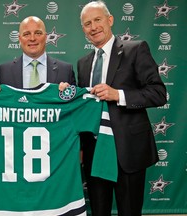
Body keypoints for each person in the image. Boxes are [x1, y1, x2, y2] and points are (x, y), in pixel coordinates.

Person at [77, 1, 167, 216]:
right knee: (99, 212)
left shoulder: (135, 49)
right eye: (87, 23)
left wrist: (118, 95)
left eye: (98, 20)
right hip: (95, 151)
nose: (93, 27)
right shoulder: (83, 63)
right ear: (83, 30)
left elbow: (158, 93)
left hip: (128, 150)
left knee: (129, 211)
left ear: (110, 20)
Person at [0, 16, 76, 88]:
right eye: (26, 34)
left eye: (38, 33)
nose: (32, 38)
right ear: (19, 39)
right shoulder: (3, 71)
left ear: (45, 37)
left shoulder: (65, 71)